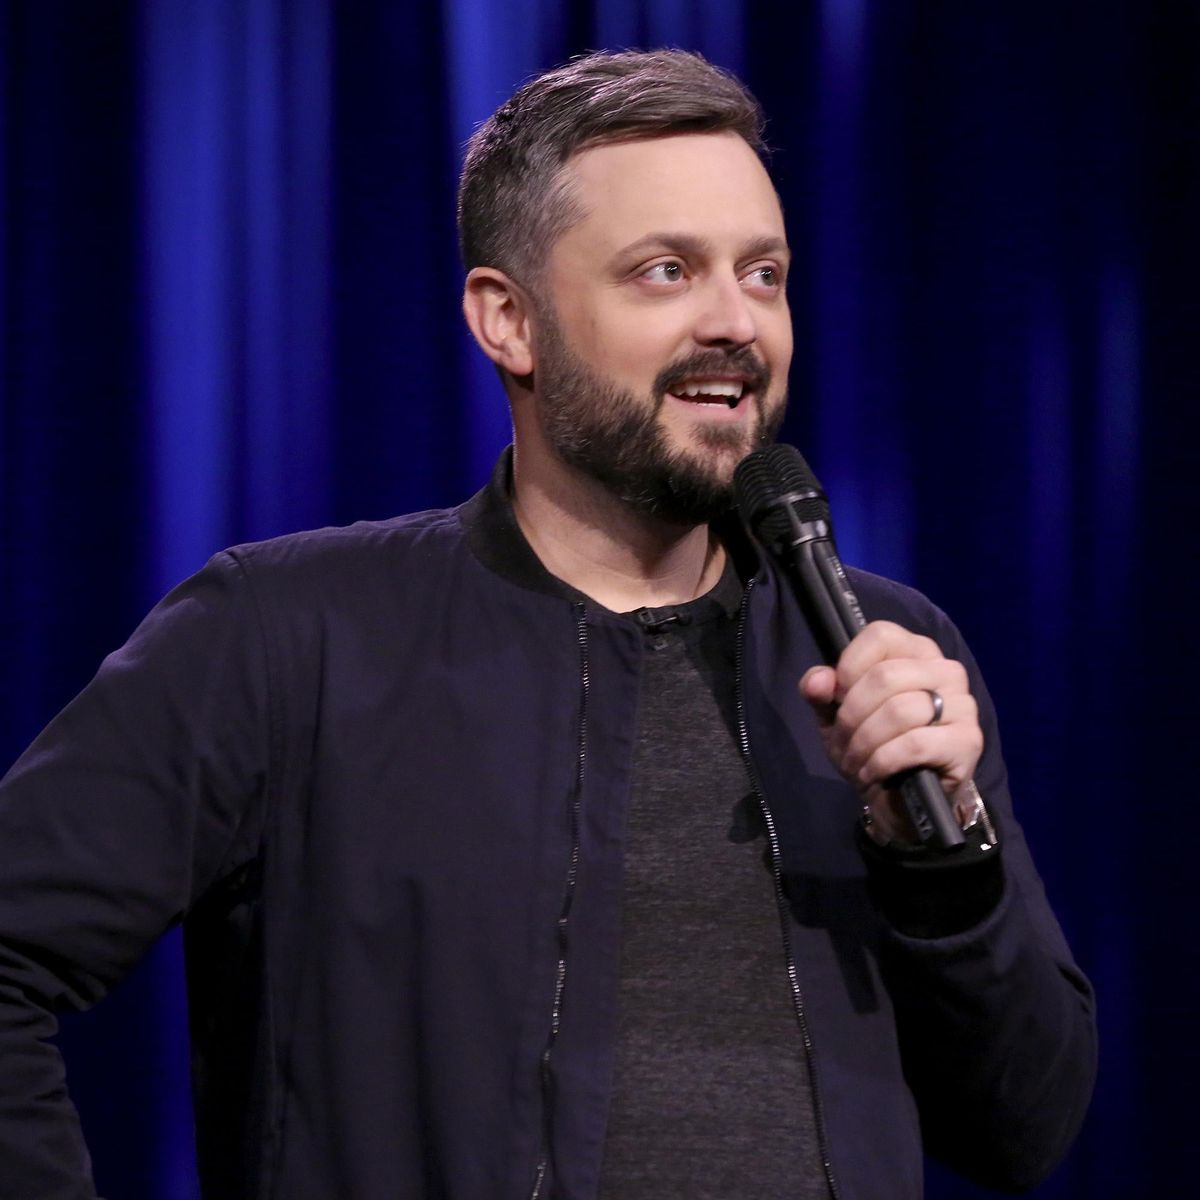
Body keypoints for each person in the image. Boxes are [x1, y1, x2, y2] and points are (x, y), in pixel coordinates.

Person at [0, 49, 1095, 1200]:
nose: (737, 322)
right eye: (667, 271)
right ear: (508, 320)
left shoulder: (879, 650)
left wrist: (939, 861)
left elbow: (1024, 1128)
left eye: (763, 273)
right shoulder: (287, 636)